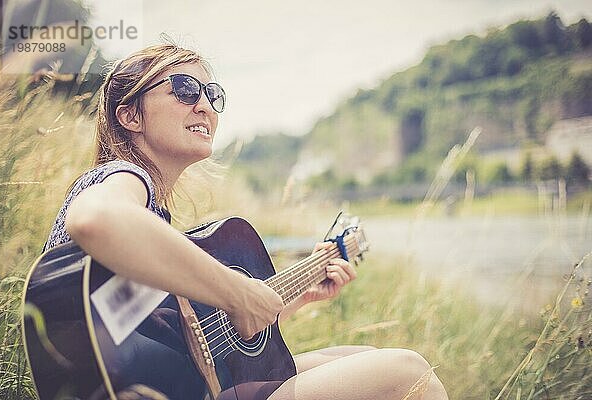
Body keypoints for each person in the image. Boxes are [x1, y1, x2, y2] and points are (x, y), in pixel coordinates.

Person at [43, 42, 449, 400]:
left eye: (212, 94)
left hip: (189, 386)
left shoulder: (153, 222)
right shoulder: (125, 177)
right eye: (185, 90)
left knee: (364, 358)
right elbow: (95, 219)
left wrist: (293, 297)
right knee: (411, 374)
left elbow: (202, 342)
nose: (205, 105)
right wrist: (239, 293)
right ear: (130, 116)